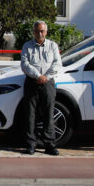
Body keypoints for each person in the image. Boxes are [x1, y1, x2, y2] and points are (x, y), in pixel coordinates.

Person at [19, 20, 62, 155]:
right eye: (37, 31)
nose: (40, 33)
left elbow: (57, 63)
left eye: (42, 31)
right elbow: (25, 64)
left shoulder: (52, 46)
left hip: (47, 83)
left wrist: (45, 77)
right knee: (30, 114)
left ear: (46, 32)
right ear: (34, 32)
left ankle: (49, 144)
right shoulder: (27, 46)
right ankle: (31, 144)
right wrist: (38, 76)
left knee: (49, 113)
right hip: (32, 82)